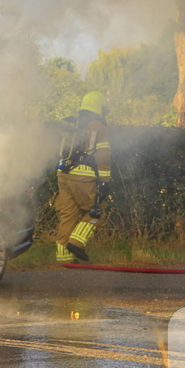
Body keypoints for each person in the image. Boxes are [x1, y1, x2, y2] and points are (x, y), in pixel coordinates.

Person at [54, 91, 112, 262]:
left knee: (68, 214)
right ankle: (76, 243)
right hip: (84, 177)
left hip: (63, 174)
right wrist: (105, 181)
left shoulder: (72, 122)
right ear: (98, 106)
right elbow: (103, 155)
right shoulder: (99, 126)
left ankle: (63, 257)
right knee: (96, 212)